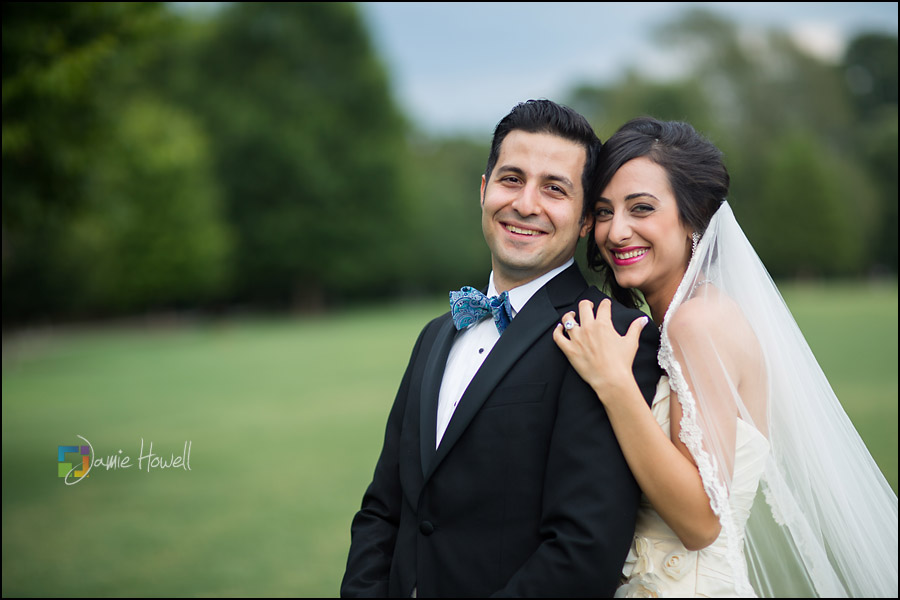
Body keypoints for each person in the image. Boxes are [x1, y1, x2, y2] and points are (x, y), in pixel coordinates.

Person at [554, 116, 899, 597]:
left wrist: (614, 385)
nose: (616, 232)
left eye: (641, 208)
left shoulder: (697, 323)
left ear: (694, 216)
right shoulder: (684, 319)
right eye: (605, 211)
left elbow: (701, 521)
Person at [340, 100, 662, 598]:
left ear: (583, 221)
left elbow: (583, 550)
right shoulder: (435, 335)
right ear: (484, 190)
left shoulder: (610, 334)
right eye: (512, 179)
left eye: (554, 189)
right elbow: (384, 509)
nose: (526, 204)